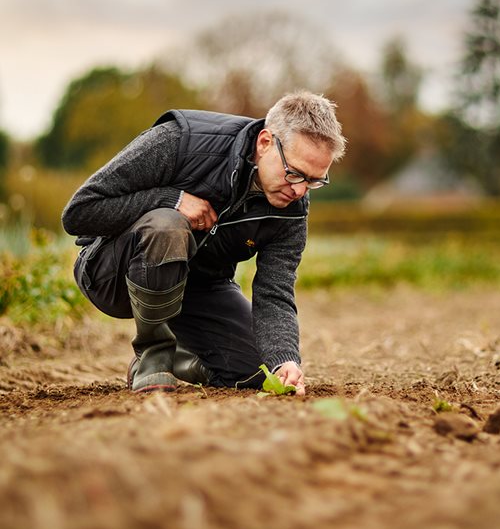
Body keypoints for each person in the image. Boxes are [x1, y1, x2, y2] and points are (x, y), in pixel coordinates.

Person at [62, 90, 346, 397]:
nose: (301, 191)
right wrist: (172, 200)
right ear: (265, 142)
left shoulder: (292, 209)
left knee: (257, 368)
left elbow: (274, 291)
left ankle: (177, 358)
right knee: (167, 225)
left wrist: (284, 360)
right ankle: (152, 356)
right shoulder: (180, 141)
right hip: (112, 273)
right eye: (295, 174)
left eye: (315, 180)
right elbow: (79, 212)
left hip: (199, 286)